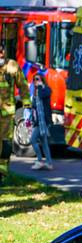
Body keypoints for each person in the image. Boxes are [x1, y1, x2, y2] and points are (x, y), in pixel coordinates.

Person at [0, 45, 30, 186]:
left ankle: (2, 174)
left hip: (6, 115)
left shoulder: (12, 66)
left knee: (5, 144)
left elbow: (23, 85)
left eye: (1, 51)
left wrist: (27, 104)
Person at [30, 74, 54, 171]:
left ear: (42, 80)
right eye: (34, 80)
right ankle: (49, 163)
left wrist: (40, 86)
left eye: (37, 79)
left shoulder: (46, 89)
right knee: (44, 143)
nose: (35, 81)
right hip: (38, 121)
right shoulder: (35, 92)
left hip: (44, 121)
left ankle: (40, 161)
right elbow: (34, 108)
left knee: (33, 140)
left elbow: (42, 95)